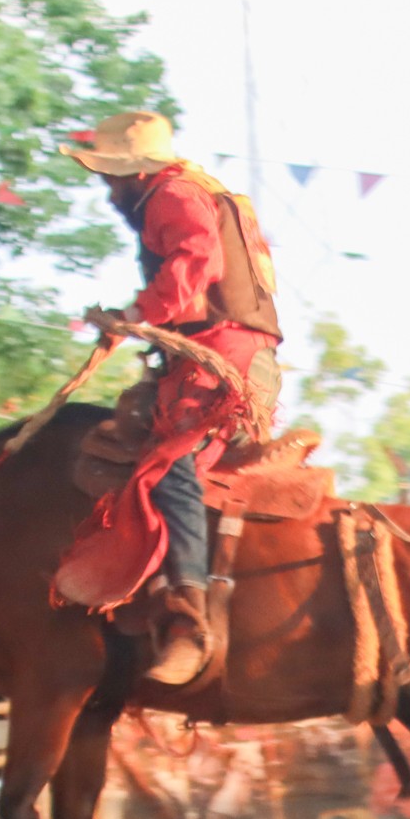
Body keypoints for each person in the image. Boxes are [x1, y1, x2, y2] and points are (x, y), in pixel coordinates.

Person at [59, 110, 284, 685]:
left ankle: (189, 617)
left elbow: (193, 266)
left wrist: (134, 316)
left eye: (110, 176)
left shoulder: (172, 195)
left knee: (170, 464)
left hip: (222, 356)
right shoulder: (194, 190)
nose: (106, 187)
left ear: (135, 173)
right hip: (221, 353)